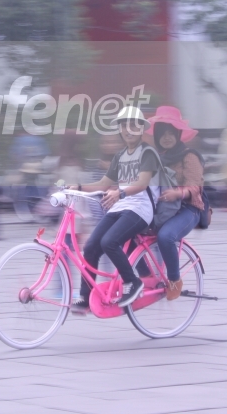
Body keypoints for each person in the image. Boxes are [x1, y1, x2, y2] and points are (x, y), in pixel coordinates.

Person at [72, 106, 159, 312]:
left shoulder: (148, 153)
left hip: (140, 209)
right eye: (124, 126)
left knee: (110, 242)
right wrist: (78, 187)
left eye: (133, 125)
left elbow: (142, 183)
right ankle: (85, 296)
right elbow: (104, 184)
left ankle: (132, 282)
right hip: (121, 206)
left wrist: (120, 193)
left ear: (141, 128)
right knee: (91, 246)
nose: (128, 130)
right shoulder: (120, 156)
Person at [147, 106, 204, 301]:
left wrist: (178, 193)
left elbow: (195, 186)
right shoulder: (154, 157)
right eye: (162, 134)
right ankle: (146, 277)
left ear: (178, 134)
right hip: (162, 209)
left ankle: (174, 280)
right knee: (129, 234)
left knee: (165, 236)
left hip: (188, 209)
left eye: (171, 133)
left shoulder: (189, 156)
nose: (167, 138)